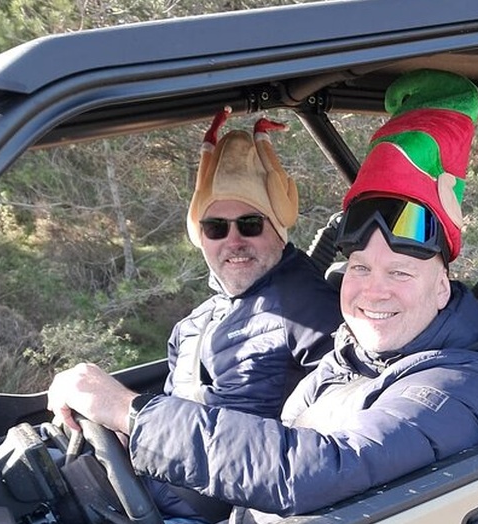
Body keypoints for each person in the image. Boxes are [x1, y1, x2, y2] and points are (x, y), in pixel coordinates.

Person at [47, 69, 478, 523]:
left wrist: (131, 413)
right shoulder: (355, 355)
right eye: (360, 267)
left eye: (401, 271)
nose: (373, 289)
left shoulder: (457, 384)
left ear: (443, 286)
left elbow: (315, 469)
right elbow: (276, 437)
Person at [143, 111, 343, 521]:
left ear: (277, 229)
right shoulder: (194, 324)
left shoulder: (306, 310)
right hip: (150, 487)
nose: (233, 240)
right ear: (201, 237)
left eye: (250, 224)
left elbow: (336, 441)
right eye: (215, 227)